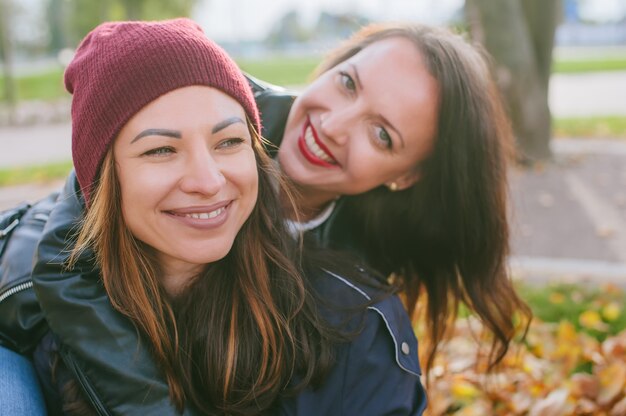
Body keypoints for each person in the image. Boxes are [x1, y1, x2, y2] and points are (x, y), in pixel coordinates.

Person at [0, 19, 425, 415]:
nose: (207, 180)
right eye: (160, 150)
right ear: (104, 185)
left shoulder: (351, 324)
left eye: (228, 142)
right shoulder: (48, 316)